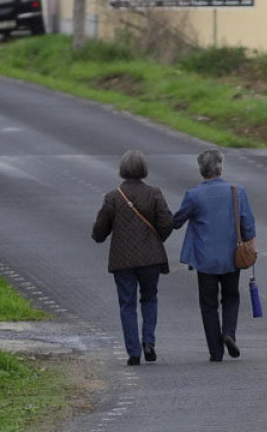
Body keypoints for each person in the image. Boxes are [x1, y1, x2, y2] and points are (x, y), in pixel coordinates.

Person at [92, 150, 174, 366]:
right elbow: (167, 222)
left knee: (127, 304)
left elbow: (100, 231)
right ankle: (149, 341)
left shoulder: (113, 197)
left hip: (123, 261)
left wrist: (98, 235)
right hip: (151, 258)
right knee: (149, 298)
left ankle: (133, 351)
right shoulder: (155, 193)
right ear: (144, 170)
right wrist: (157, 238)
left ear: (122, 170)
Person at [173, 149, 255, 362]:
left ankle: (215, 351)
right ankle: (229, 332)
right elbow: (248, 225)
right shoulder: (237, 192)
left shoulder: (194, 195)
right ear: (221, 168)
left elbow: (177, 220)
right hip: (231, 256)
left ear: (201, 170)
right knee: (231, 297)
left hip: (205, 259)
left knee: (208, 304)